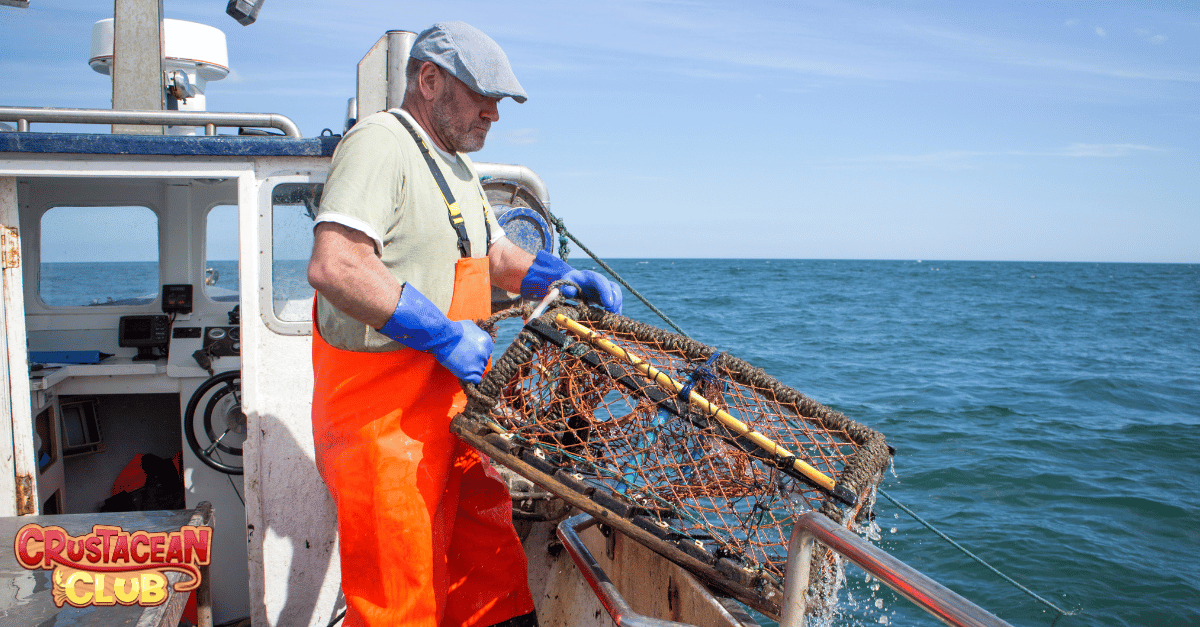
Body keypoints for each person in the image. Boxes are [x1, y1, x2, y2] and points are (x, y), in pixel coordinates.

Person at [306, 21, 622, 627]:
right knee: (401, 603)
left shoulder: (455, 167)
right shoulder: (381, 142)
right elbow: (337, 262)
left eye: (499, 102)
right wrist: (445, 334)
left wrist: (554, 278)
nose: (493, 115)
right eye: (484, 97)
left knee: (490, 580)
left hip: (457, 419)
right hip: (385, 431)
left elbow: (494, 255)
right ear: (429, 80)